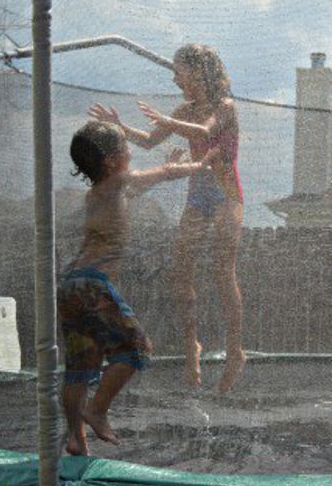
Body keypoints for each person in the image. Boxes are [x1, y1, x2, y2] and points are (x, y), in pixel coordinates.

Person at [88, 43, 245, 393]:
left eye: (179, 72)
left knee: (223, 271)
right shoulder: (184, 109)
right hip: (199, 195)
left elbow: (204, 132)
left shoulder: (225, 106)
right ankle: (192, 348)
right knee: (181, 271)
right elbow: (148, 141)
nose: (175, 79)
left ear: (198, 72)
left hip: (227, 194)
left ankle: (235, 352)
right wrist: (119, 126)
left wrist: (168, 121)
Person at [60, 121, 207, 456]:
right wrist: (197, 166)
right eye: (126, 149)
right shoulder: (120, 182)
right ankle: (97, 410)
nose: (131, 154)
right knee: (138, 348)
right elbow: (163, 174)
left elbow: (141, 185)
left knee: (80, 366)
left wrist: (167, 167)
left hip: (71, 285)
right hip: (93, 284)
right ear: (112, 160)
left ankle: (76, 437)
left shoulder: (97, 193)